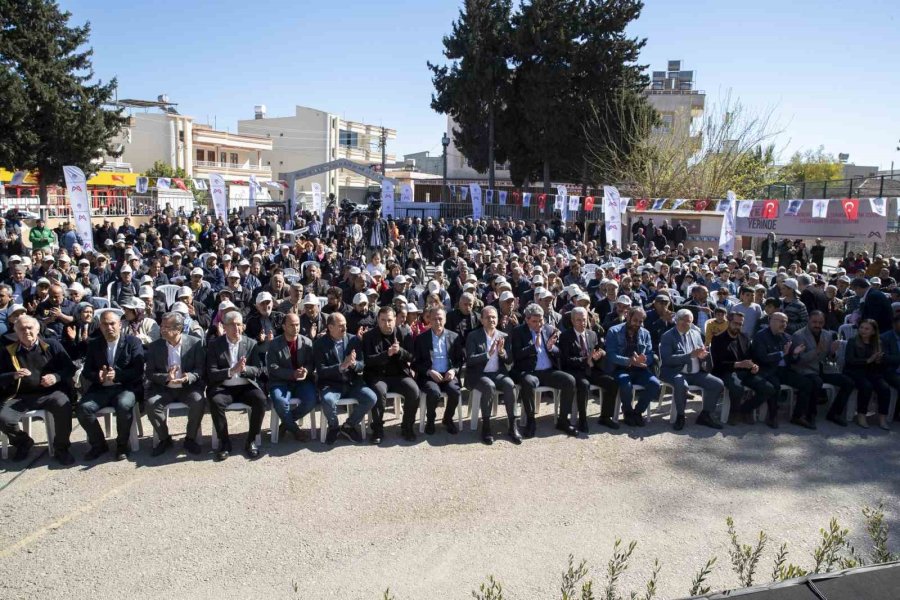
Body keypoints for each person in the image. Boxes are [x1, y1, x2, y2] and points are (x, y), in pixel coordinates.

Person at [0, 316, 76, 464]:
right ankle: (23, 442)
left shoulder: (51, 345)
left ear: (37, 329)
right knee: (4, 418)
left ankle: (61, 448)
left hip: (51, 393)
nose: (26, 331)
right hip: (21, 396)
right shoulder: (8, 351)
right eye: (22, 329)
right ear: (16, 333)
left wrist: (56, 377)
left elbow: (70, 368)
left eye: (30, 328)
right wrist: (13, 375)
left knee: (64, 406)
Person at [77, 310, 145, 461]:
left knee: (123, 404)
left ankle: (122, 445)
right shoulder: (94, 344)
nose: (109, 327)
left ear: (120, 324)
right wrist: (97, 376)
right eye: (105, 324)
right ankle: (99, 444)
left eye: (112, 323)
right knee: (83, 408)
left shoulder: (133, 342)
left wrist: (118, 375)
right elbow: (87, 371)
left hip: (126, 386)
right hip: (101, 388)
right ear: (100, 326)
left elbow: (138, 370)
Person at [205, 311, 267, 460]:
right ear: (224, 327)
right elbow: (211, 373)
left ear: (243, 326)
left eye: (239, 324)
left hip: (245, 385)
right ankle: (224, 442)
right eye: (232, 325)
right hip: (223, 387)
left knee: (261, 399)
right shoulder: (215, 345)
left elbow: (258, 369)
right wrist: (232, 371)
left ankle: (251, 440)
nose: (236, 328)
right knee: (215, 401)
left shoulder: (250, 343)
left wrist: (244, 369)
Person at [509, 303, 577, 437]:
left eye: (541, 320)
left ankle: (563, 420)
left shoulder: (548, 329)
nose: (539, 324)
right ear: (527, 319)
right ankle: (531, 421)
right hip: (528, 371)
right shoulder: (518, 331)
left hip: (547, 371)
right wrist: (533, 347)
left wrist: (552, 348)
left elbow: (559, 353)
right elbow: (516, 355)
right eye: (534, 321)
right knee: (527, 383)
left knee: (569, 380)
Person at [144, 312, 207, 456]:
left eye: (166, 327)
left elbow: (200, 369)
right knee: (151, 404)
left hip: (187, 387)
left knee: (198, 401)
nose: (162, 329)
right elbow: (149, 372)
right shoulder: (155, 346)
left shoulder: (195, 343)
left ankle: (190, 439)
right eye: (162, 326)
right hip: (164, 388)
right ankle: (165, 439)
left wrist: (188, 377)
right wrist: (166, 377)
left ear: (178, 329)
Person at [313, 312, 377, 444]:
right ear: (330, 327)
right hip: (332, 385)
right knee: (327, 400)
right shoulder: (320, 344)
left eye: (345, 325)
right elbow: (321, 371)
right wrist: (341, 366)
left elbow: (361, 365)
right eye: (341, 326)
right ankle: (334, 427)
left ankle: (348, 426)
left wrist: (353, 364)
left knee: (371, 398)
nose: (345, 328)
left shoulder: (353, 339)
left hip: (352, 383)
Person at [361, 306, 420, 443]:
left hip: (399, 375)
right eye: (382, 320)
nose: (386, 323)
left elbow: (412, 357)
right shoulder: (369, 336)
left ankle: (407, 426)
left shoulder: (404, 333)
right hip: (378, 375)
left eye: (389, 320)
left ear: (395, 320)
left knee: (414, 391)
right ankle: (377, 429)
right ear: (377, 320)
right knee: (379, 392)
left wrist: (400, 352)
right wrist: (386, 354)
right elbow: (368, 361)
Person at [659, 309, 724, 430]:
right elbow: (667, 359)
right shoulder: (668, 336)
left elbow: (700, 351)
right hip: (675, 371)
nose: (685, 323)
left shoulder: (695, 333)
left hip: (696, 372)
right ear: (676, 320)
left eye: (688, 321)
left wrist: (703, 355)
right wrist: (689, 356)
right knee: (680, 383)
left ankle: (705, 415)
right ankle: (680, 416)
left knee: (717, 384)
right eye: (682, 321)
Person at [710, 311, 778, 427]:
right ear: (728, 322)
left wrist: (754, 366)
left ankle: (745, 409)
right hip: (726, 371)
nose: (737, 327)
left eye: (740, 324)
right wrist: (738, 364)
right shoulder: (718, 339)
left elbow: (752, 356)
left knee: (769, 388)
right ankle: (734, 413)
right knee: (737, 388)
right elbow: (718, 364)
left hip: (745, 371)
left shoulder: (744, 337)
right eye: (735, 323)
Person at [559, 306, 620, 433]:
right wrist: (585, 360)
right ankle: (582, 419)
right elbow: (565, 360)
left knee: (611, 382)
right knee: (584, 384)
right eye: (578, 320)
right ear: (572, 320)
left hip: (591, 369)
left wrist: (600, 354)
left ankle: (605, 417)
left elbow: (598, 351)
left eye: (584, 320)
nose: (582, 323)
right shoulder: (565, 336)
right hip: (575, 371)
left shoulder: (592, 334)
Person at [750, 312, 814, 430]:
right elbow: (762, 358)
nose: (784, 324)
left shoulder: (787, 337)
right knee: (775, 385)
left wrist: (794, 354)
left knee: (807, 383)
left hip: (784, 370)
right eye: (781, 321)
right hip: (767, 370)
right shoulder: (760, 336)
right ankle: (772, 416)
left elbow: (793, 361)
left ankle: (797, 416)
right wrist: (781, 354)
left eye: (785, 322)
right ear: (771, 321)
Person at [466, 306, 519, 445]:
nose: (491, 320)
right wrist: (487, 354)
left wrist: (502, 353)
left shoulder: (503, 336)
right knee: (489, 386)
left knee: (509, 384)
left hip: (498, 373)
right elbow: (470, 359)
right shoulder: (473, 336)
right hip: (478, 375)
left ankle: (513, 425)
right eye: (488, 317)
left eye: (494, 317)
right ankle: (486, 426)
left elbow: (509, 360)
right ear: (482, 320)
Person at [790, 311, 853, 427]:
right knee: (816, 382)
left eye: (820, 322)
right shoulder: (798, 335)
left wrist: (833, 353)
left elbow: (830, 358)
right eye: (814, 322)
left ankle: (834, 413)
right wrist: (816, 351)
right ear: (809, 320)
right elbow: (799, 360)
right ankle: (810, 415)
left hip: (823, 368)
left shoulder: (827, 335)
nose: (817, 325)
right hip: (805, 369)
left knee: (848, 382)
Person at [267, 312, 318, 442]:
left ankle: (286, 424)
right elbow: (272, 367)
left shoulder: (307, 342)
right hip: (280, 382)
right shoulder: (274, 344)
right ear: (284, 326)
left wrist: (306, 370)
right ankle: (295, 430)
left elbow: (311, 363)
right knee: (280, 401)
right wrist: (292, 374)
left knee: (311, 400)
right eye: (292, 325)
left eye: (298, 325)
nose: (296, 328)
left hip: (302, 381)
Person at [605, 306, 660, 426]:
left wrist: (644, 359)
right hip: (620, 368)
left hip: (640, 369)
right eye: (635, 320)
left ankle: (638, 412)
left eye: (641, 321)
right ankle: (628, 411)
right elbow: (611, 355)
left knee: (655, 384)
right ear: (628, 317)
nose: (638, 324)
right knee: (626, 384)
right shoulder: (614, 331)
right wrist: (629, 361)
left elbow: (650, 354)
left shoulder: (645, 333)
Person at [413, 307, 464, 435]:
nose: (437, 321)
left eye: (440, 318)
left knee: (455, 391)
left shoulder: (454, 337)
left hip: (448, 374)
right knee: (434, 392)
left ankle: (447, 419)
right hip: (430, 375)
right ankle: (430, 420)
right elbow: (415, 363)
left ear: (445, 320)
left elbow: (460, 360)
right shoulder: (421, 339)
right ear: (429, 320)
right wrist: (429, 371)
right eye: (434, 319)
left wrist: (453, 370)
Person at [844, 319, 891, 430]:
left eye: (867, 329)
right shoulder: (852, 341)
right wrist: (868, 360)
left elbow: (882, 365)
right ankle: (861, 415)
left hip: (872, 372)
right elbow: (849, 360)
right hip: (854, 372)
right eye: (861, 328)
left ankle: (882, 417)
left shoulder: (878, 343)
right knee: (866, 386)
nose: (863, 330)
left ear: (873, 332)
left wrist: (879, 360)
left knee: (885, 388)